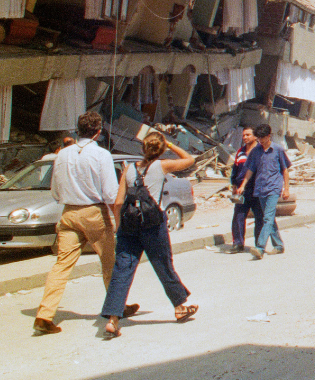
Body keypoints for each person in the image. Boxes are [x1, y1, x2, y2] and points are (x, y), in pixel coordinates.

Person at [35, 111, 131, 335]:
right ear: (98, 132)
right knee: (110, 264)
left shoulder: (62, 154)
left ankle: (44, 314)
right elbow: (109, 192)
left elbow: (56, 191)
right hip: (93, 212)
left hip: (68, 212)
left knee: (61, 265)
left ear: (78, 130)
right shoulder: (101, 155)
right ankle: (117, 307)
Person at [101, 131, 198, 338]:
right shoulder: (162, 166)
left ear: (143, 149)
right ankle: (180, 306)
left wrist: (119, 226)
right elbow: (189, 160)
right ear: (160, 149)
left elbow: (118, 203)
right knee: (163, 264)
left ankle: (113, 319)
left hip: (129, 225)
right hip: (153, 224)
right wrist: (171, 145)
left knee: (122, 270)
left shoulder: (128, 169)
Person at [234, 124, 290, 259]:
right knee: (269, 218)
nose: (261, 141)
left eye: (263, 138)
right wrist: (242, 185)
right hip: (260, 189)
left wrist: (286, 188)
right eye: (259, 139)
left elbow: (285, 170)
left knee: (267, 218)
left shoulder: (278, 150)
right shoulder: (255, 151)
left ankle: (259, 247)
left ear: (269, 136)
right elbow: (250, 170)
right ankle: (278, 245)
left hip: (273, 188)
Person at [228, 127, 258, 253]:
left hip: (256, 188)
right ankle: (238, 243)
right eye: (243, 135)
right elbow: (235, 169)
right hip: (241, 189)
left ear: (255, 136)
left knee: (260, 217)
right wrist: (234, 185)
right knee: (238, 216)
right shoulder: (240, 152)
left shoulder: (260, 151)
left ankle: (259, 244)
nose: (245, 137)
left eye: (248, 135)